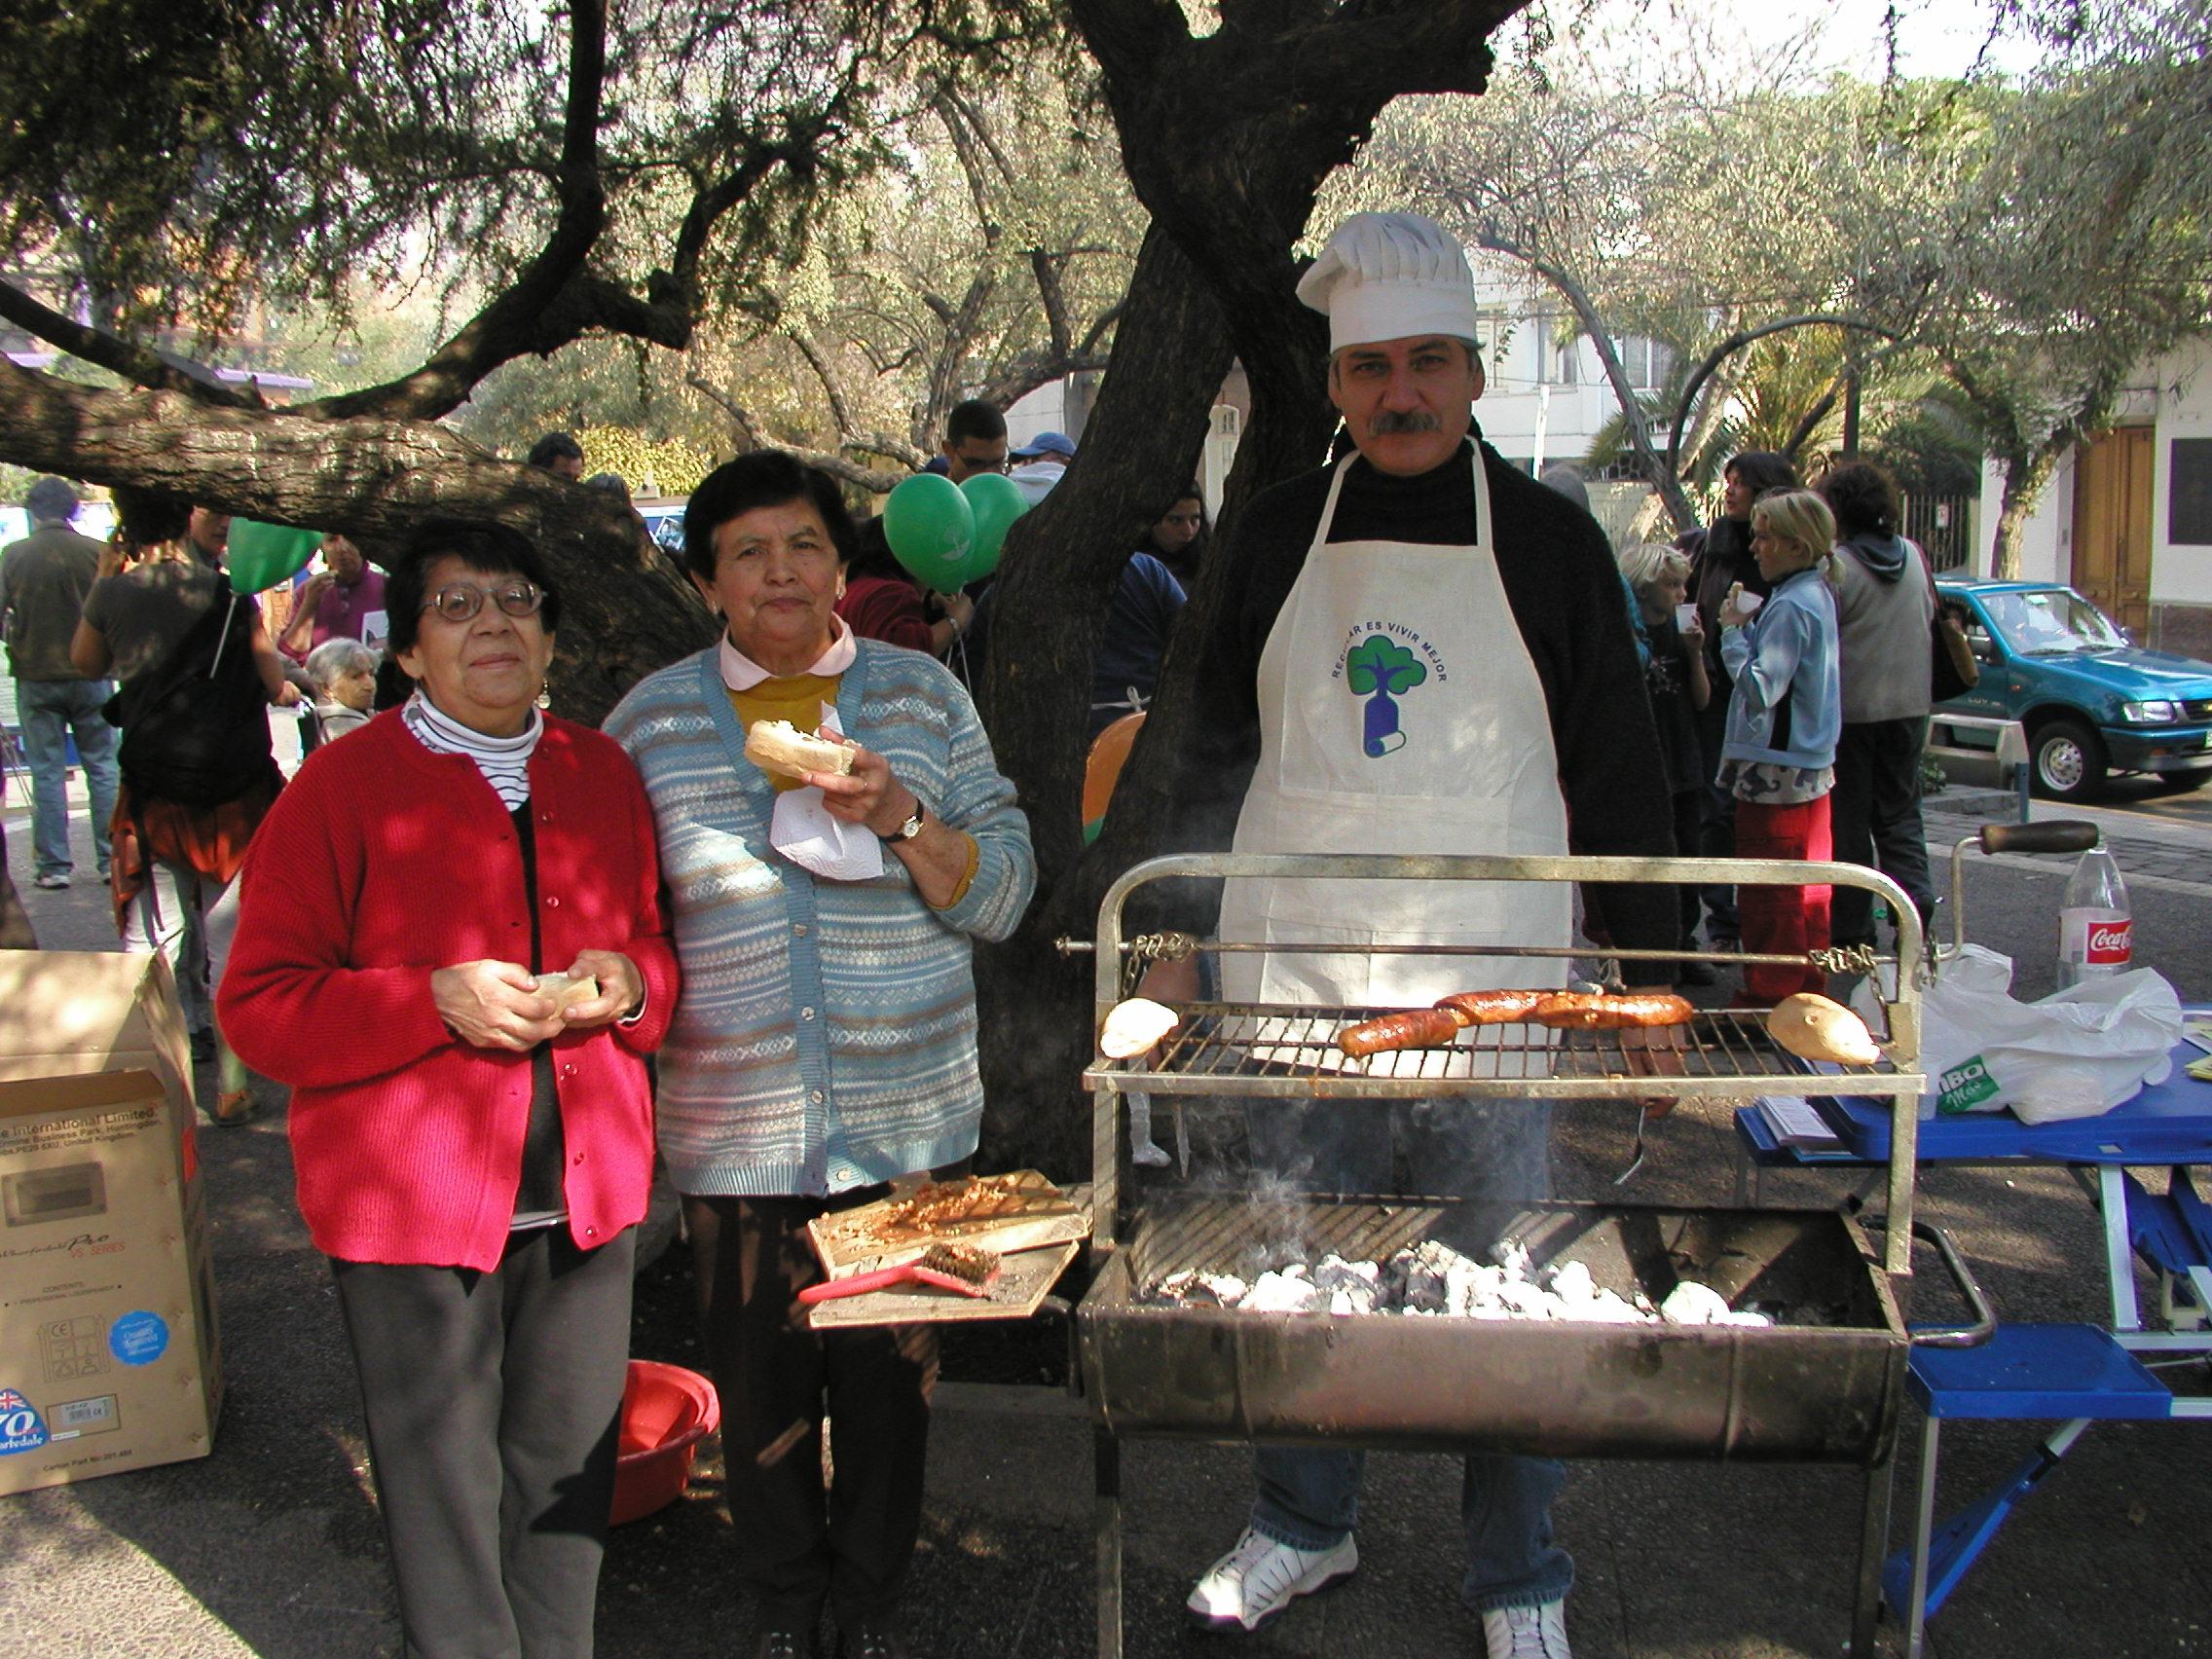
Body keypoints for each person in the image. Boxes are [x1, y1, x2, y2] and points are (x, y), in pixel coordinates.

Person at [1143, 211, 1675, 1659]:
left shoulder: (1558, 544)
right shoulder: (1266, 538)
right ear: (1335, 387)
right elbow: (1202, 753)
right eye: (1372, 368)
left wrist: (1658, 959)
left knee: (1501, 1291)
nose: (1401, 395)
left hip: (1492, 991)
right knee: (1301, 1260)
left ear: (1474, 371)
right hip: (1295, 973)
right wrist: (1171, 942)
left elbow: (1623, 768)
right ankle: (1303, 1524)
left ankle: (1522, 1576)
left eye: (1427, 362)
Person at [219, 518, 676, 1659]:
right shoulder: (344, 785)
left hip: (586, 1195)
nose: (494, 624)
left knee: (568, 1478)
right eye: (457, 606)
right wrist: (429, 999)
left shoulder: (599, 770)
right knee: (443, 1492)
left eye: (516, 600)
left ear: (550, 639)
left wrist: (624, 983)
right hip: (414, 1208)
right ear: (409, 653)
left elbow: (657, 953)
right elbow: (259, 1003)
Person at [605, 452, 1035, 1659]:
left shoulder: (921, 698)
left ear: (843, 566)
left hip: (906, 1120)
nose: (778, 570)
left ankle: (873, 1608)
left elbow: (1001, 893)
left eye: (801, 543)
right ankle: (788, 1607)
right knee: (760, 1397)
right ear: (708, 584)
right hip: (736, 1127)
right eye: (745, 551)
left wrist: (901, 816)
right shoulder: (651, 721)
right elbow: (614, 911)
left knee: (893, 1394)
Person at [73, 487, 301, 1124]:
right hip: (234, 791)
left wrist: (103, 578)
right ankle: (231, 1083)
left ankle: (169, 1089)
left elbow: (83, 661)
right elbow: (269, 679)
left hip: (152, 793)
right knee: (226, 942)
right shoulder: (229, 596)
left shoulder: (113, 593)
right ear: (186, 519)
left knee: (158, 944)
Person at [1717, 488, 1842, 1007]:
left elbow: (1762, 687)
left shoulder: (1790, 606)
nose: (1756, 547)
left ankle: (1772, 994)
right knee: (1810, 891)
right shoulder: (1816, 594)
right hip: (1811, 768)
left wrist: (1731, 633)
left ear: (1795, 545)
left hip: (1777, 773)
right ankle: (1807, 991)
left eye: (1766, 537)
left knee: (1771, 891)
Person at [1819, 461, 1936, 953]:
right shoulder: (1914, 555)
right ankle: (1916, 914)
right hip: (1910, 708)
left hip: (1852, 713)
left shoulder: (1837, 567)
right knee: (1901, 815)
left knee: (1848, 826)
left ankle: (1852, 931)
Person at [1683, 450, 1798, 949]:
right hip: (1714, 696)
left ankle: (1755, 923)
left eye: (1740, 482)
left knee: (1752, 816)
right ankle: (1723, 920)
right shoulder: (1711, 547)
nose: (1729, 490)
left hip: (1764, 704)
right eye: (1726, 480)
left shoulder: (1788, 574)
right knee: (1715, 810)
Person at [1, 477, 120, 889]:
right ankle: (110, 860)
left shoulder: (12, 556)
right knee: (103, 766)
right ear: (74, 510)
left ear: (32, 511)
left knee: (47, 771)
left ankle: (54, 866)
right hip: (91, 674)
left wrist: (17, 636)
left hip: (36, 675)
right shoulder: (95, 553)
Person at [1618, 541, 1713, 984]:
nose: (1679, 593)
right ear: (1643, 585)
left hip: (1684, 756)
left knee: (1688, 856)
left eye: (1682, 585)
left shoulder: (1683, 631)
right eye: (1670, 584)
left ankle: (1684, 944)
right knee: (1647, 858)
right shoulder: (1628, 633)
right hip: (1646, 759)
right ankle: (1648, 952)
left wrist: (1695, 653)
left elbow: (1702, 699)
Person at [1088, 541, 1187, 744]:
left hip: (1099, 730)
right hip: (1156, 725)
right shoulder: (1146, 568)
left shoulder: (1148, 569)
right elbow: (1191, 641)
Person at [276, 535, 387, 660]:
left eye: (350, 538)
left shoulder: (386, 587)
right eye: (332, 540)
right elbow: (290, 655)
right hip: (322, 678)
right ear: (322, 547)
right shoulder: (310, 590)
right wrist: (309, 605)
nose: (342, 548)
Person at [302, 637, 379, 745]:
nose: (370, 686)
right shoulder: (348, 730)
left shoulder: (318, 720)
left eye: (371, 674)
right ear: (327, 688)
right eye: (355, 677)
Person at [1143, 484, 1209, 591]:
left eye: (1194, 519)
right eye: (1175, 520)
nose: (1188, 531)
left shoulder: (1209, 559)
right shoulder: (1134, 567)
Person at [1006, 429, 1075, 506]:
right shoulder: (1077, 489)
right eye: (1025, 461)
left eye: (1035, 458)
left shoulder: (1011, 489)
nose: (1029, 465)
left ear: (1066, 460)